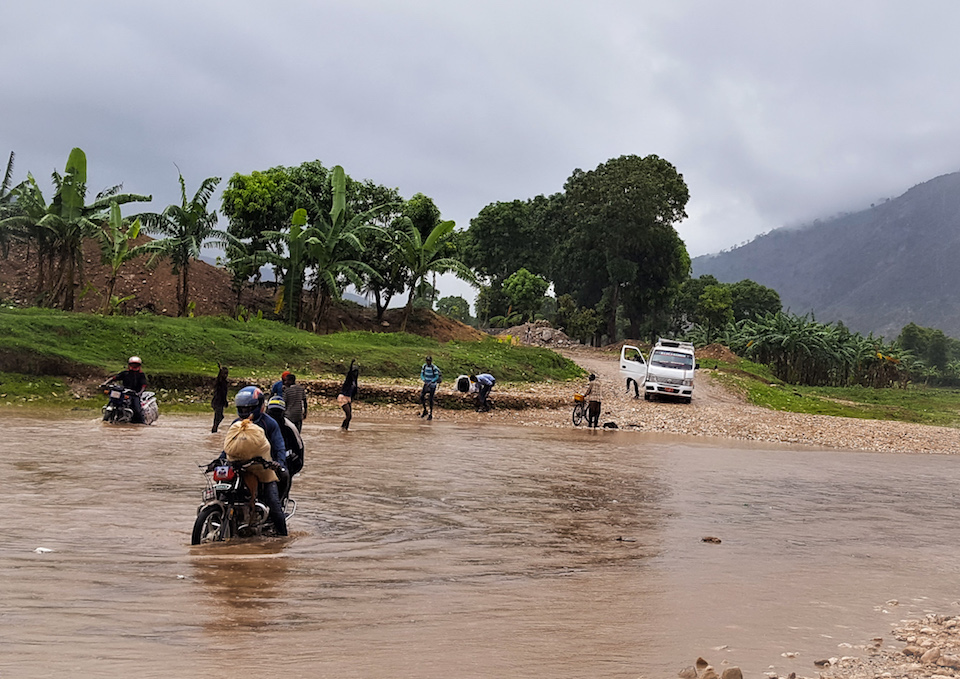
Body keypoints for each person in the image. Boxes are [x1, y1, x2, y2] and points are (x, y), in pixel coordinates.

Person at [212, 386, 289, 536]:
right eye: (243, 408)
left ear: (260, 406)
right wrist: (219, 460)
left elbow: (279, 446)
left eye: (250, 407)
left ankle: (283, 538)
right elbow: (230, 446)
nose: (246, 411)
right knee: (219, 493)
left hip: (262, 468)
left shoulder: (270, 423)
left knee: (273, 503)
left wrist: (279, 462)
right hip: (238, 467)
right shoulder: (236, 424)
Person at [266, 396, 304, 480]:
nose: (274, 415)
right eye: (272, 412)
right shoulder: (260, 424)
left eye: (278, 412)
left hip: (284, 464)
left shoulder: (289, 427)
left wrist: (294, 468)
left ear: (283, 412)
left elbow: (299, 448)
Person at [109, 356, 148, 424]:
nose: (134, 366)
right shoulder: (125, 373)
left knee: (137, 410)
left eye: (136, 365)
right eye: (133, 365)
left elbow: (144, 385)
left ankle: (142, 423)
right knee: (113, 401)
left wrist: (139, 392)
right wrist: (104, 383)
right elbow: (114, 378)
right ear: (129, 365)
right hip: (124, 393)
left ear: (139, 366)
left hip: (134, 394)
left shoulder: (141, 374)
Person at [338, 360, 359, 430]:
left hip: (348, 398)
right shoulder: (349, 380)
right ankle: (342, 428)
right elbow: (349, 373)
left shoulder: (354, 381)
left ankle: (345, 428)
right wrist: (351, 363)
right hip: (343, 397)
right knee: (348, 415)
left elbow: (354, 391)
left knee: (350, 416)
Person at [419, 355, 442, 420]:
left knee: (431, 399)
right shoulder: (424, 366)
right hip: (426, 384)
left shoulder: (434, 368)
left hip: (432, 385)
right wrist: (423, 379)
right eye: (427, 361)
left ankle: (430, 413)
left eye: (429, 361)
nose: (428, 362)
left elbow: (436, 376)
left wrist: (432, 381)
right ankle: (425, 410)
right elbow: (422, 374)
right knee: (422, 396)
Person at [211, 363, 229, 433]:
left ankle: (215, 429)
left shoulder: (224, 382)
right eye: (224, 374)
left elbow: (224, 394)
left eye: (226, 374)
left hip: (220, 402)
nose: (226, 375)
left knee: (219, 417)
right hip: (217, 402)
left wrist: (225, 402)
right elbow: (219, 379)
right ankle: (214, 429)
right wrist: (220, 369)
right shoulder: (219, 382)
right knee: (218, 417)